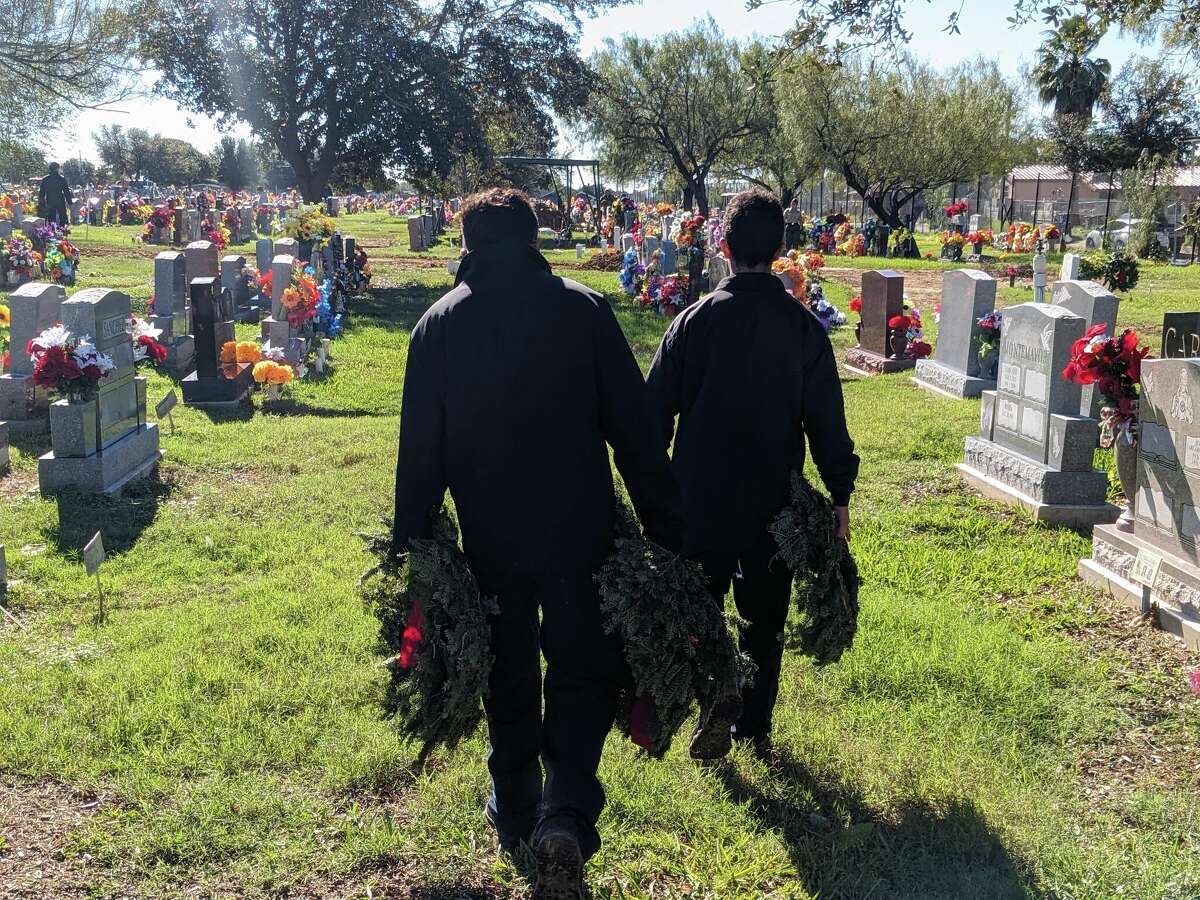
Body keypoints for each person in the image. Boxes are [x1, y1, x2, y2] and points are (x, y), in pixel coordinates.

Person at [391, 188, 682, 898]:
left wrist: (413, 545)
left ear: (466, 244)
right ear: (534, 239)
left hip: (492, 536)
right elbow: (635, 432)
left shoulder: (437, 326)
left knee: (507, 665)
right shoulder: (584, 311)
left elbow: (420, 453)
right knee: (582, 667)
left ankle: (518, 801)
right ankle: (567, 811)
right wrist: (664, 527)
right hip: (580, 529)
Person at [646, 188, 859, 759]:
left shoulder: (692, 323)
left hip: (699, 498)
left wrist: (653, 494)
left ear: (723, 246)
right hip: (773, 502)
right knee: (764, 616)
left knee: (701, 605)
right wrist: (840, 493)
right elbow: (826, 422)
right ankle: (753, 723)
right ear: (781, 249)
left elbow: (652, 416)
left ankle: (713, 696)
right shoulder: (803, 328)